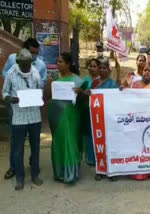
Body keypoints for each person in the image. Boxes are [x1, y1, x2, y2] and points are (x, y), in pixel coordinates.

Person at [2, 38, 47, 180]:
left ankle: (34, 172)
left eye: (35, 55)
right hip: (18, 114)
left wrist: (36, 95)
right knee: (17, 146)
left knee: (35, 146)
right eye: (25, 63)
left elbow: (42, 86)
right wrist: (10, 97)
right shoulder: (11, 69)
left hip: (34, 115)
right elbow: (5, 91)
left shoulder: (38, 68)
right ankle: (16, 170)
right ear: (18, 61)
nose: (30, 64)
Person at [48, 52, 86, 183]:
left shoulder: (77, 80)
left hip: (70, 115)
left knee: (69, 140)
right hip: (54, 114)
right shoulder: (54, 77)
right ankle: (59, 173)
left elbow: (82, 101)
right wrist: (49, 85)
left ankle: (70, 174)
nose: (58, 64)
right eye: (57, 62)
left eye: (61, 62)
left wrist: (81, 92)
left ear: (68, 64)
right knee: (58, 141)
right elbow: (48, 96)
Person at [120, 62, 150, 180]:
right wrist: (124, 89)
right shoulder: (135, 84)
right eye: (145, 70)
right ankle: (139, 172)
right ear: (142, 72)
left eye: (149, 70)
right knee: (139, 145)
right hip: (138, 120)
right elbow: (130, 100)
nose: (147, 72)